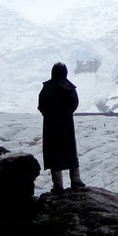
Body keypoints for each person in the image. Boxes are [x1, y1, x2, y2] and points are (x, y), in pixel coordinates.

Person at [38, 62, 85, 194]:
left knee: (54, 154)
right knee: (70, 150)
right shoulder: (70, 88)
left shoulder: (47, 88)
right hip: (66, 124)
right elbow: (74, 104)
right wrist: (66, 114)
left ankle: (58, 185)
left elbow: (41, 105)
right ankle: (75, 179)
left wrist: (50, 115)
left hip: (50, 126)